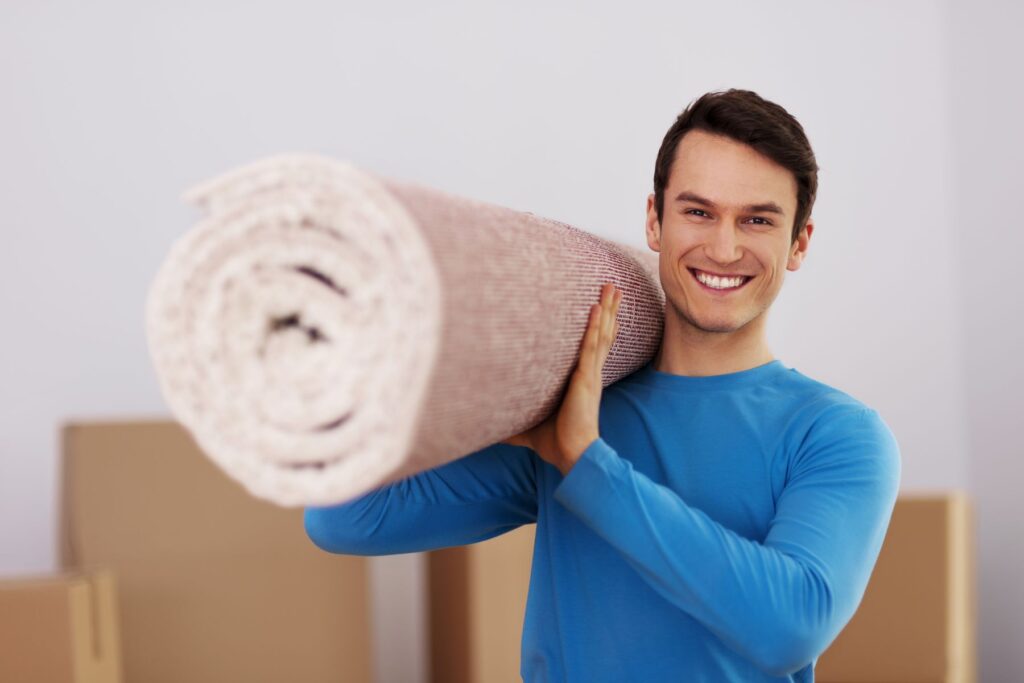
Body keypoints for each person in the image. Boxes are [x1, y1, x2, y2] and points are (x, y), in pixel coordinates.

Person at [303, 89, 901, 682]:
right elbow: (343, 518)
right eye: (698, 212)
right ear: (654, 220)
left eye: (758, 220)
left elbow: (789, 627)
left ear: (799, 242)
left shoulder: (837, 433)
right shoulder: (575, 410)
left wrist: (588, 464)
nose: (724, 247)